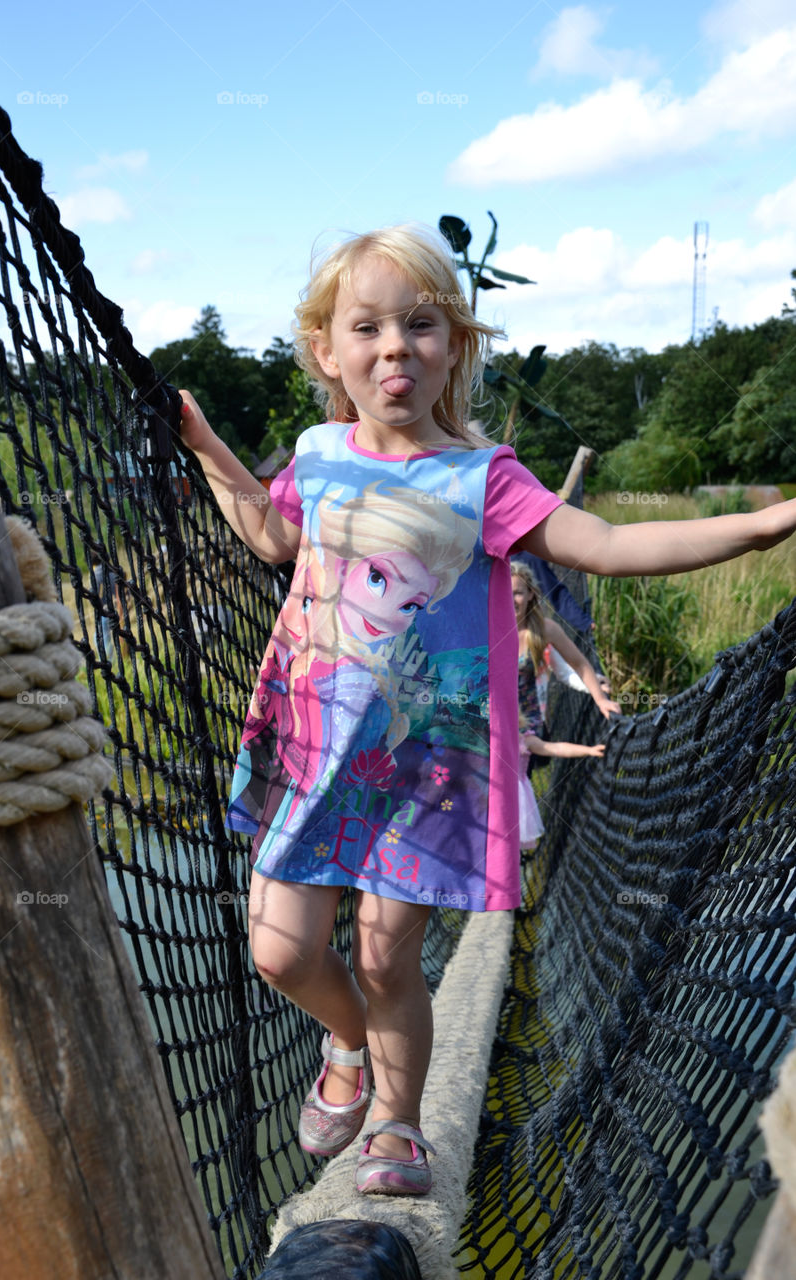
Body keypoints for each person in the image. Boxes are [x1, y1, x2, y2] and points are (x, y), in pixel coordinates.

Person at [177, 224, 796, 1199]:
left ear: (452, 347)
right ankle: (342, 1041)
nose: (393, 347)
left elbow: (595, 541)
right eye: (367, 327)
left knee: (387, 958)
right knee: (279, 946)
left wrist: (765, 522)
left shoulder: (482, 476)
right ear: (327, 350)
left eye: (420, 325)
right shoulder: (318, 454)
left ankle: (396, 1120)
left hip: (422, 762)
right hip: (310, 745)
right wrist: (209, 445)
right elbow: (267, 530)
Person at [512, 558, 619, 771]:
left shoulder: (543, 630)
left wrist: (600, 699)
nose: (511, 599)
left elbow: (579, 664)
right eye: (505, 592)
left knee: (519, 782)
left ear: (531, 594)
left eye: (518, 593)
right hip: (490, 724)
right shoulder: (486, 630)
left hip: (527, 729)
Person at [518, 723, 605, 849]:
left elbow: (556, 748)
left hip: (518, 802)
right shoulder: (489, 742)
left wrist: (589, 750)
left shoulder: (525, 741)